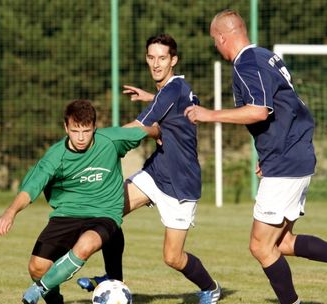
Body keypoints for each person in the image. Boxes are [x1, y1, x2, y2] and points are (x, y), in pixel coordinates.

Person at [184, 9, 327, 304]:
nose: (216, 47)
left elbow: (259, 110)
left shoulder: (246, 62)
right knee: (282, 242)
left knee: (260, 247)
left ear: (223, 37)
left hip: (288, 160)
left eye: (215, 41)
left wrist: (209, 114)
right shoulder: (264, 55)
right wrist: (268, 150)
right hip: (291, 154)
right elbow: (285, 107)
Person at [77, 34, 222, 304]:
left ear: (173, 60)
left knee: (173, 257)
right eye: (151, 57)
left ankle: (210, 287)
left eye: (162, 58)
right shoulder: (174, 90)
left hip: (181, 184)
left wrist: (93, 137)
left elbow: (138, 128)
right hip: (156, 173)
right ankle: (113, 279)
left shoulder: (171, 90)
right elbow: (176, 110)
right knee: (108, 208)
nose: (156, 64)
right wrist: (151, 98)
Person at [0, 99, 159, 304]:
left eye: (86, 131)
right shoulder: (55, 156)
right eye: (75, 131)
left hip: (104, 213)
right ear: (66, 128)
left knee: (86, 243)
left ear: (94, 128)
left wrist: (158, 134)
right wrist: (10, 212)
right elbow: (31, 188)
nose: (81, 137)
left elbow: (145, 131)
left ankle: (40, 289)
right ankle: (53, 298)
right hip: (66, 214)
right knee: (37, 267)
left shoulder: (111, 140)